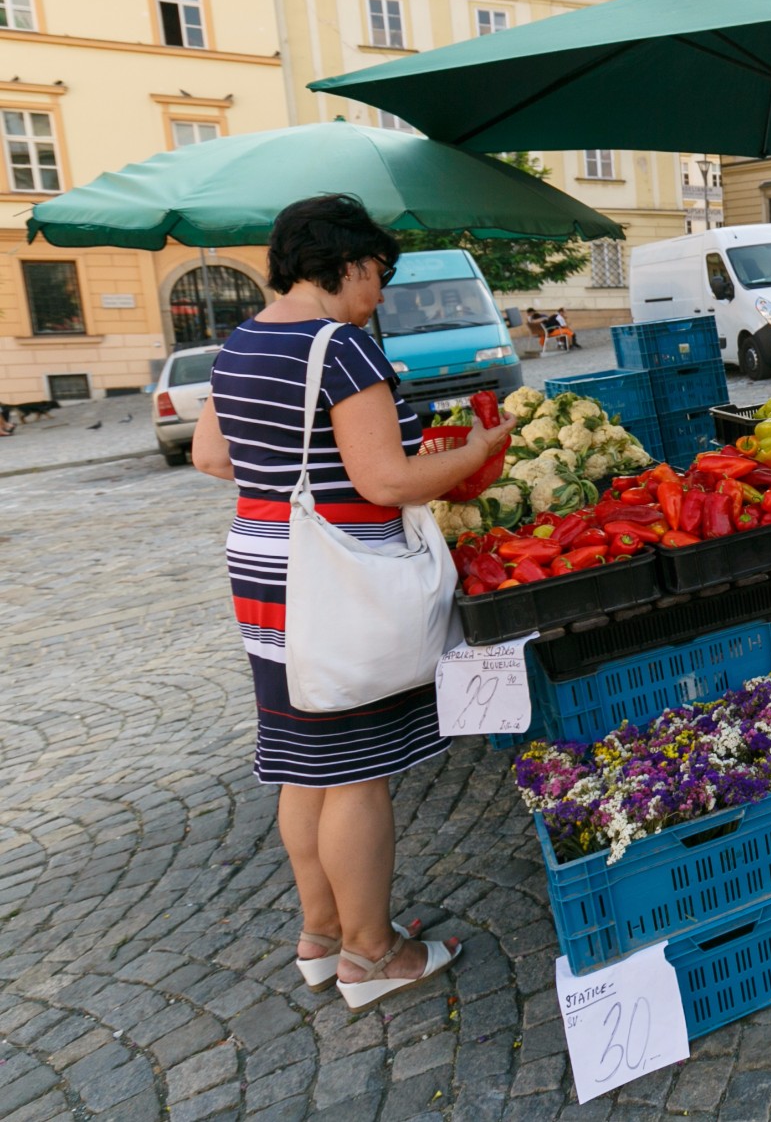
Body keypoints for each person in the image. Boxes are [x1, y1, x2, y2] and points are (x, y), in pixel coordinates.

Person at [190, 194, 516, 1009]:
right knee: (357, 773)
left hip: (267, 570)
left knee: (306, 765)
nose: (379, 291)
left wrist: (291, 482)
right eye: (376, 272)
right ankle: (372, 956)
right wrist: (476, 452)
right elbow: (387, 482)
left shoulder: (241, 341)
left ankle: (320, 936)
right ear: (346, 265)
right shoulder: (339, 349)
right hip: (336, 580)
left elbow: (208, 455)